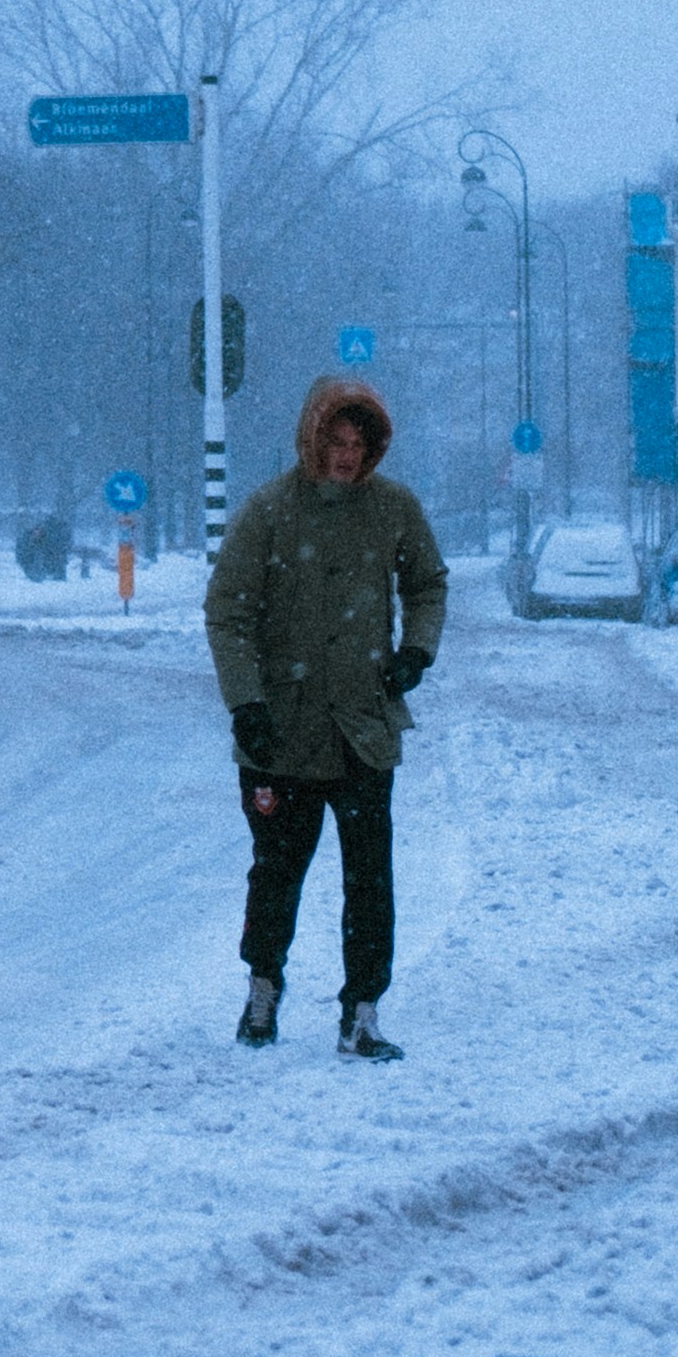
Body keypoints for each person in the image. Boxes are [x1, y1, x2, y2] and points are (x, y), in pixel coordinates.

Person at [205, 372, 448, 1057]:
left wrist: (415, 653)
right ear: (312, 437)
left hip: (362, 733)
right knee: (276, 871)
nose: (345, 454)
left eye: (357, 442)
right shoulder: (269, 513)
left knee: (369, 878)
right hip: (280, 733)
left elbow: (427, 583)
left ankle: (362, 1011)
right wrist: (245, 702)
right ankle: (262, 990)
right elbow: (226, 612)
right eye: (334, 439)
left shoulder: (392, 509)